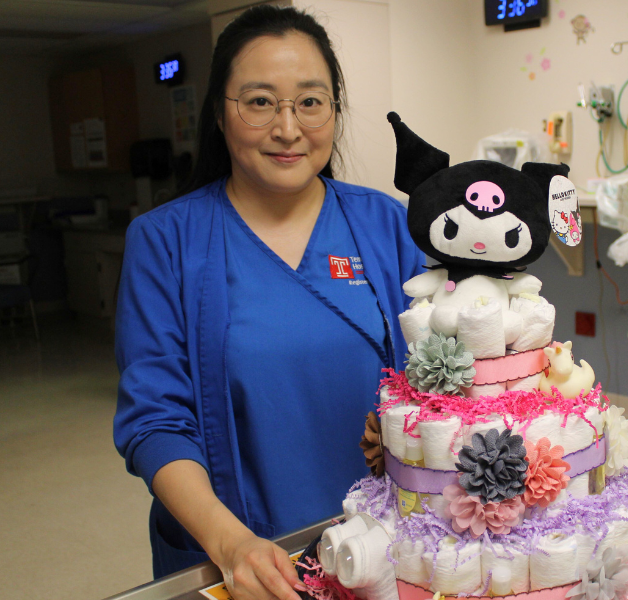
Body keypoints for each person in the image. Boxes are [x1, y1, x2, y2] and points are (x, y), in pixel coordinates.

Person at [113, 6, 424, 600]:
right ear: (219, 115)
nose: (289, 128)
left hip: (387, 545)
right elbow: (155, 421)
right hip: (246, 555)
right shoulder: (166, 242)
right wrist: (231, 544)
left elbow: (445, 380)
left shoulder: (386, 226)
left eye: (311, 102)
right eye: (259, 101)